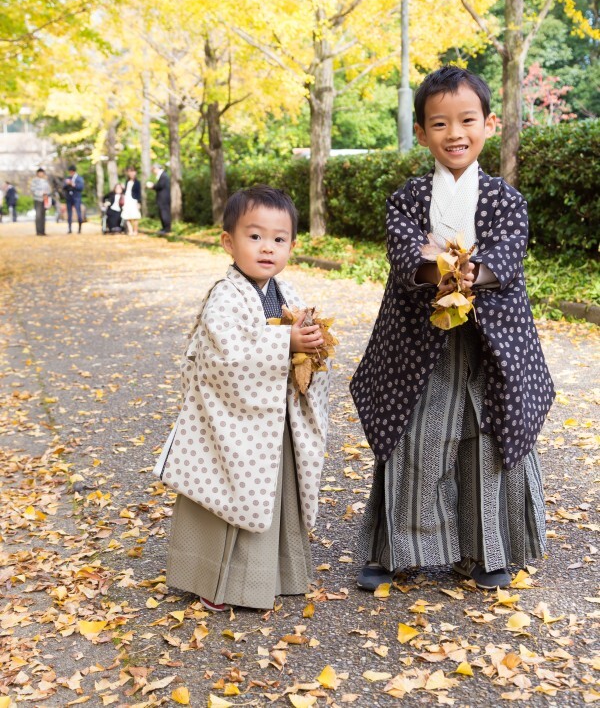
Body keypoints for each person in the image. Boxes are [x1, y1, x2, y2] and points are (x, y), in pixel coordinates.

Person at [350, 65, 555, 592]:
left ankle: (487, 552)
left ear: (489, 124)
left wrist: (473, 271)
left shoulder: (505, 199)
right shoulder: (409, 197)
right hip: (420, 341)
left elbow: (507, 255)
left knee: (487, 441)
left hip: (490, 343)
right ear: (420, 133)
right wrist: (434, 269)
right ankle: (398, 552)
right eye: (439, 124)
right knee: (414, 438)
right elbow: (404, 255)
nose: (455, 134)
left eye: (467, 120)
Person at [154, 185, 331, 611]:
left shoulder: (288, 294)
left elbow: (301, 348)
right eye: (254, 237)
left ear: (292, 244)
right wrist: (284, 342)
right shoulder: (225, 297)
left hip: (275, 418)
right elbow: (227, 358)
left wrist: (313, 347)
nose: (267, 248)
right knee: (226, 495)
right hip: (230, 426)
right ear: (228, 242)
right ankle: (215, 583)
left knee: (275, 494)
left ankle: (275, 575)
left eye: (279, 239)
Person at [146, 163, 171, 233]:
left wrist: (152, 186)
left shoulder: (163, 176)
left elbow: (160, 186)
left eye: (153, 170)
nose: (153, 172)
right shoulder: (162, 175)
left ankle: (167, 229)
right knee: (162, 213)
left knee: (164, 213)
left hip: (164, 199)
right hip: (162, 198)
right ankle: (164, 228)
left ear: (156, 169)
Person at [64, 165, 84, 234]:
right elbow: (64, 187)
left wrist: (73, 184)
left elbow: (81, 187)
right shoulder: (68, 178)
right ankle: (69, 228)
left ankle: (79, 228)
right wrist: (67, 184)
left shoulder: (79, 178)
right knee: (69, 214)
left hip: (76, 197)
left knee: (78, 213)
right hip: (69, 198)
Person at [121, 167, 142, 235]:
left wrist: (139, 202)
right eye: (129, 172)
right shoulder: (127, 182)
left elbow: (139, 193)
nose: (131, 173)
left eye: (132, 171)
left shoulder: (137, 182)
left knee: (135, 216)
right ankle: (130, 231)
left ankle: (135, 231)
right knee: (127, 216)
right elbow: (126, 191)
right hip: (127, 200)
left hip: (134, 200)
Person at [31, 168, 51, 236]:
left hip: (45, 200)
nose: (41, 174)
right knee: (38, 216)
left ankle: (42, 231)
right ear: (37, 173)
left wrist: (46, 194)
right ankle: (38, 231)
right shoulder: (34, 181)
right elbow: (33, 190)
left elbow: (48, 190)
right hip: (38, 199)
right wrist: (41, 193)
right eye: (40, 172)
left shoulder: (45, 181)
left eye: (42, 172)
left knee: (43, 216)